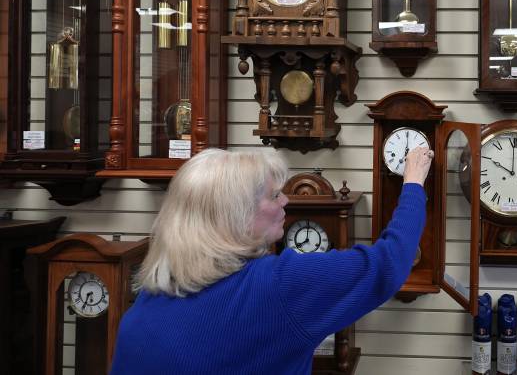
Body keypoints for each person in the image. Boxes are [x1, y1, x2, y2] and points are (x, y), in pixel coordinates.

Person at [109, 146, 433, 374]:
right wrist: (414, 183)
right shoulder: (278, 287)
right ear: (237, 215)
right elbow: (389, 262)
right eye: (274, 195)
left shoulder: (143, 308)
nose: (286, 200)